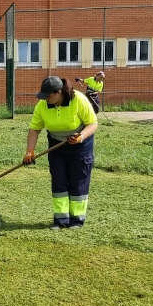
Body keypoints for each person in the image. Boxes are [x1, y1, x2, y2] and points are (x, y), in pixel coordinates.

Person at [23, 76, 98, 229]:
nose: (45, 99)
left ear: (59, 92)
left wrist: (81, 137)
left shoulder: (79, 100)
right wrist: (29, 151)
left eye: (48, 96)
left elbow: (92, 123)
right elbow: (34, 129)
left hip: (79, 145)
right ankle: (61, 220)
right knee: (59, 180)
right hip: (57, 146)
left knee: (78, 180)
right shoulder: (43, 105)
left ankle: (77, 220)